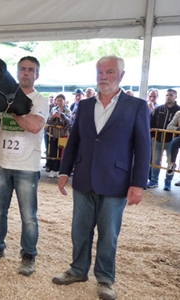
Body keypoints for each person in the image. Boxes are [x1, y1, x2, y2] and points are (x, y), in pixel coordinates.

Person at [52, 55, 150, 300]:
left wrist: (138, 183)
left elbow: (143, 147)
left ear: (121, 75)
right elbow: (74, 141)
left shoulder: (136, 106)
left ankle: (106, 279)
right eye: (100, 72)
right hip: (84, 177)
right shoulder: (84, 105)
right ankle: (77, 270)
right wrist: (64, 171)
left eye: (109, 72)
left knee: (109, 234)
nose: (104, 77)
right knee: (80, 229)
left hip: (116, 181)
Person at [0, 56, 49, 277]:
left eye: (31, 70)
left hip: (27, 166)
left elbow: (34, 125)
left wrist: (12, 109)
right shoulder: (3, 97)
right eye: (22, 69)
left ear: (37, 75)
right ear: (17, 72)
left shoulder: (40, 100)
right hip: (1, 162)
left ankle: (28, 255)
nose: (26, 73)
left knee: (28, 215)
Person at [147, 88, 180, 191]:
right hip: (157, 139)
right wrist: (152, 134)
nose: (168, 97)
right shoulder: (159, 109)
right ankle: (154, 181)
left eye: (170, 95)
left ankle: (168, 183)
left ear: (176, 96)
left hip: (171, 141)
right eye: (166, 95)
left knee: (171, 162)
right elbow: (151, 121)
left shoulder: (178, 110)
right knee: (155, 160)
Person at [45, 94, 71, 178]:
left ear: (64, 101)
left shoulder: (67, 110)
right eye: (58, 100)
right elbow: (48, 121)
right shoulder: (53, 109)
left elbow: (69, 122)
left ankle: (59, 170)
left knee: (61, 152)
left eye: (61, 100)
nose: (59, 102)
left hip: (63, 135)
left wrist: (61, 116)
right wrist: (53, 117)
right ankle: (52, 169)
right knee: (52, 151)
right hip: (53, 134)